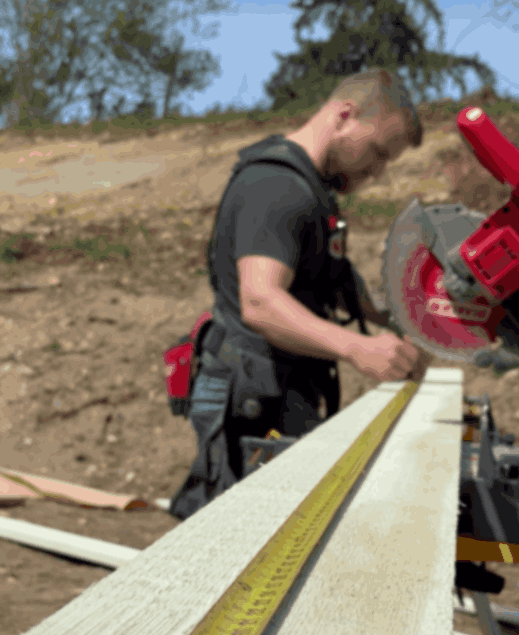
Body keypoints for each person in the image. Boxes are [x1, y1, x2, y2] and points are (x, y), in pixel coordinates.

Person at [170, 68, 426, 522]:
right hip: (252, 401)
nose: (377, 171)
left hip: (280, 392)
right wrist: (358, 347)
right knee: (235, 543)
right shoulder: (277, 186)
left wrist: (397, 322)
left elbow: (339, 278)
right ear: (344, 116)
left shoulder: (310, 189)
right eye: (378, 152)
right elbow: (261, 302)